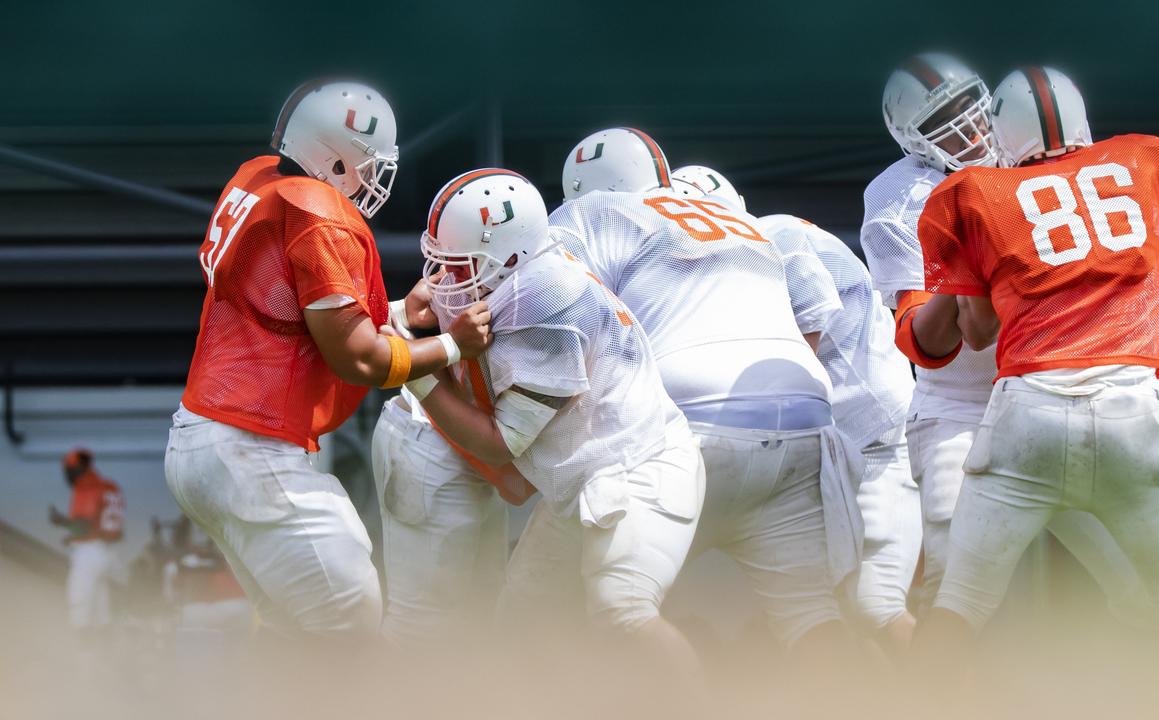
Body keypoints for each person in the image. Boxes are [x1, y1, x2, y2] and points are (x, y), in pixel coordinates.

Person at [912, 65, 1159, 687]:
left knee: (960, 604)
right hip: (1132, 399)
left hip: (1030, 405)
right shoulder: (1146, 157)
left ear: (1003, 131)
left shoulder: (973, 193)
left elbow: (977, 331)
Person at [164, 79, 491, 640]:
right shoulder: (317, 210)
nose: (373, 178)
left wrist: (397, 313)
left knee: (293, 627)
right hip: (251, 446)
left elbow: (286, 312)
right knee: (349, 615)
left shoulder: (260, 179)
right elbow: (359, 361)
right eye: (369, 163)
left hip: (202, 438)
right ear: (335, 157)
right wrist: (455, 343)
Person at [549, 129, 853, 661]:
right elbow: (809, 320)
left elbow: (551, 296)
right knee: (812, 615)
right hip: (806, 426)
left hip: (695, 430)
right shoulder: (745, 224)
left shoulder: (597, 212)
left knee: (613, 609)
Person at [862, 53, 1147, 618]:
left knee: (1136, 572)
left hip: (1057, 390)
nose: (970, 128)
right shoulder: (897, 198)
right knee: (955, 583)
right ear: (914, 141)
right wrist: (967, 253)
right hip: (961, 407)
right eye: (946, 118)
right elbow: (932, 345)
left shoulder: (1037, 157)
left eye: (971, 105)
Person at [405, 168, 705, 676]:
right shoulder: (525, 267)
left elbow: (499, 445)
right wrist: (426, 308)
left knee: (623, 614)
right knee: (523, 624)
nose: (442, 280)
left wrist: (414, 368)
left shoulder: (547, 303)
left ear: (508, 259)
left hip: (638, 471)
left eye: (458, 267)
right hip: (585, 480)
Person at [672, 164, 921, 660]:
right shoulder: (756, 244)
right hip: (829, 445)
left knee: (872, 603)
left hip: (869, 440)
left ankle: (966, 699)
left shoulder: (775, 234)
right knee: (826, 608)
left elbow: (803, 345)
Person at [50, 448, 124, 643]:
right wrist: (71, 536)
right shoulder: (110, 486)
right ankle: (105, 660)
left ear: (78, 468)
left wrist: (61, 521)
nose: (67, 474)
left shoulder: (86, 487)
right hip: (110, 553)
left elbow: (85, 526)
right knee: (102, 613)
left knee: (79, 607)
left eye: (69, 469)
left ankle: (82, 663)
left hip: (90, 555)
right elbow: (106, 527)